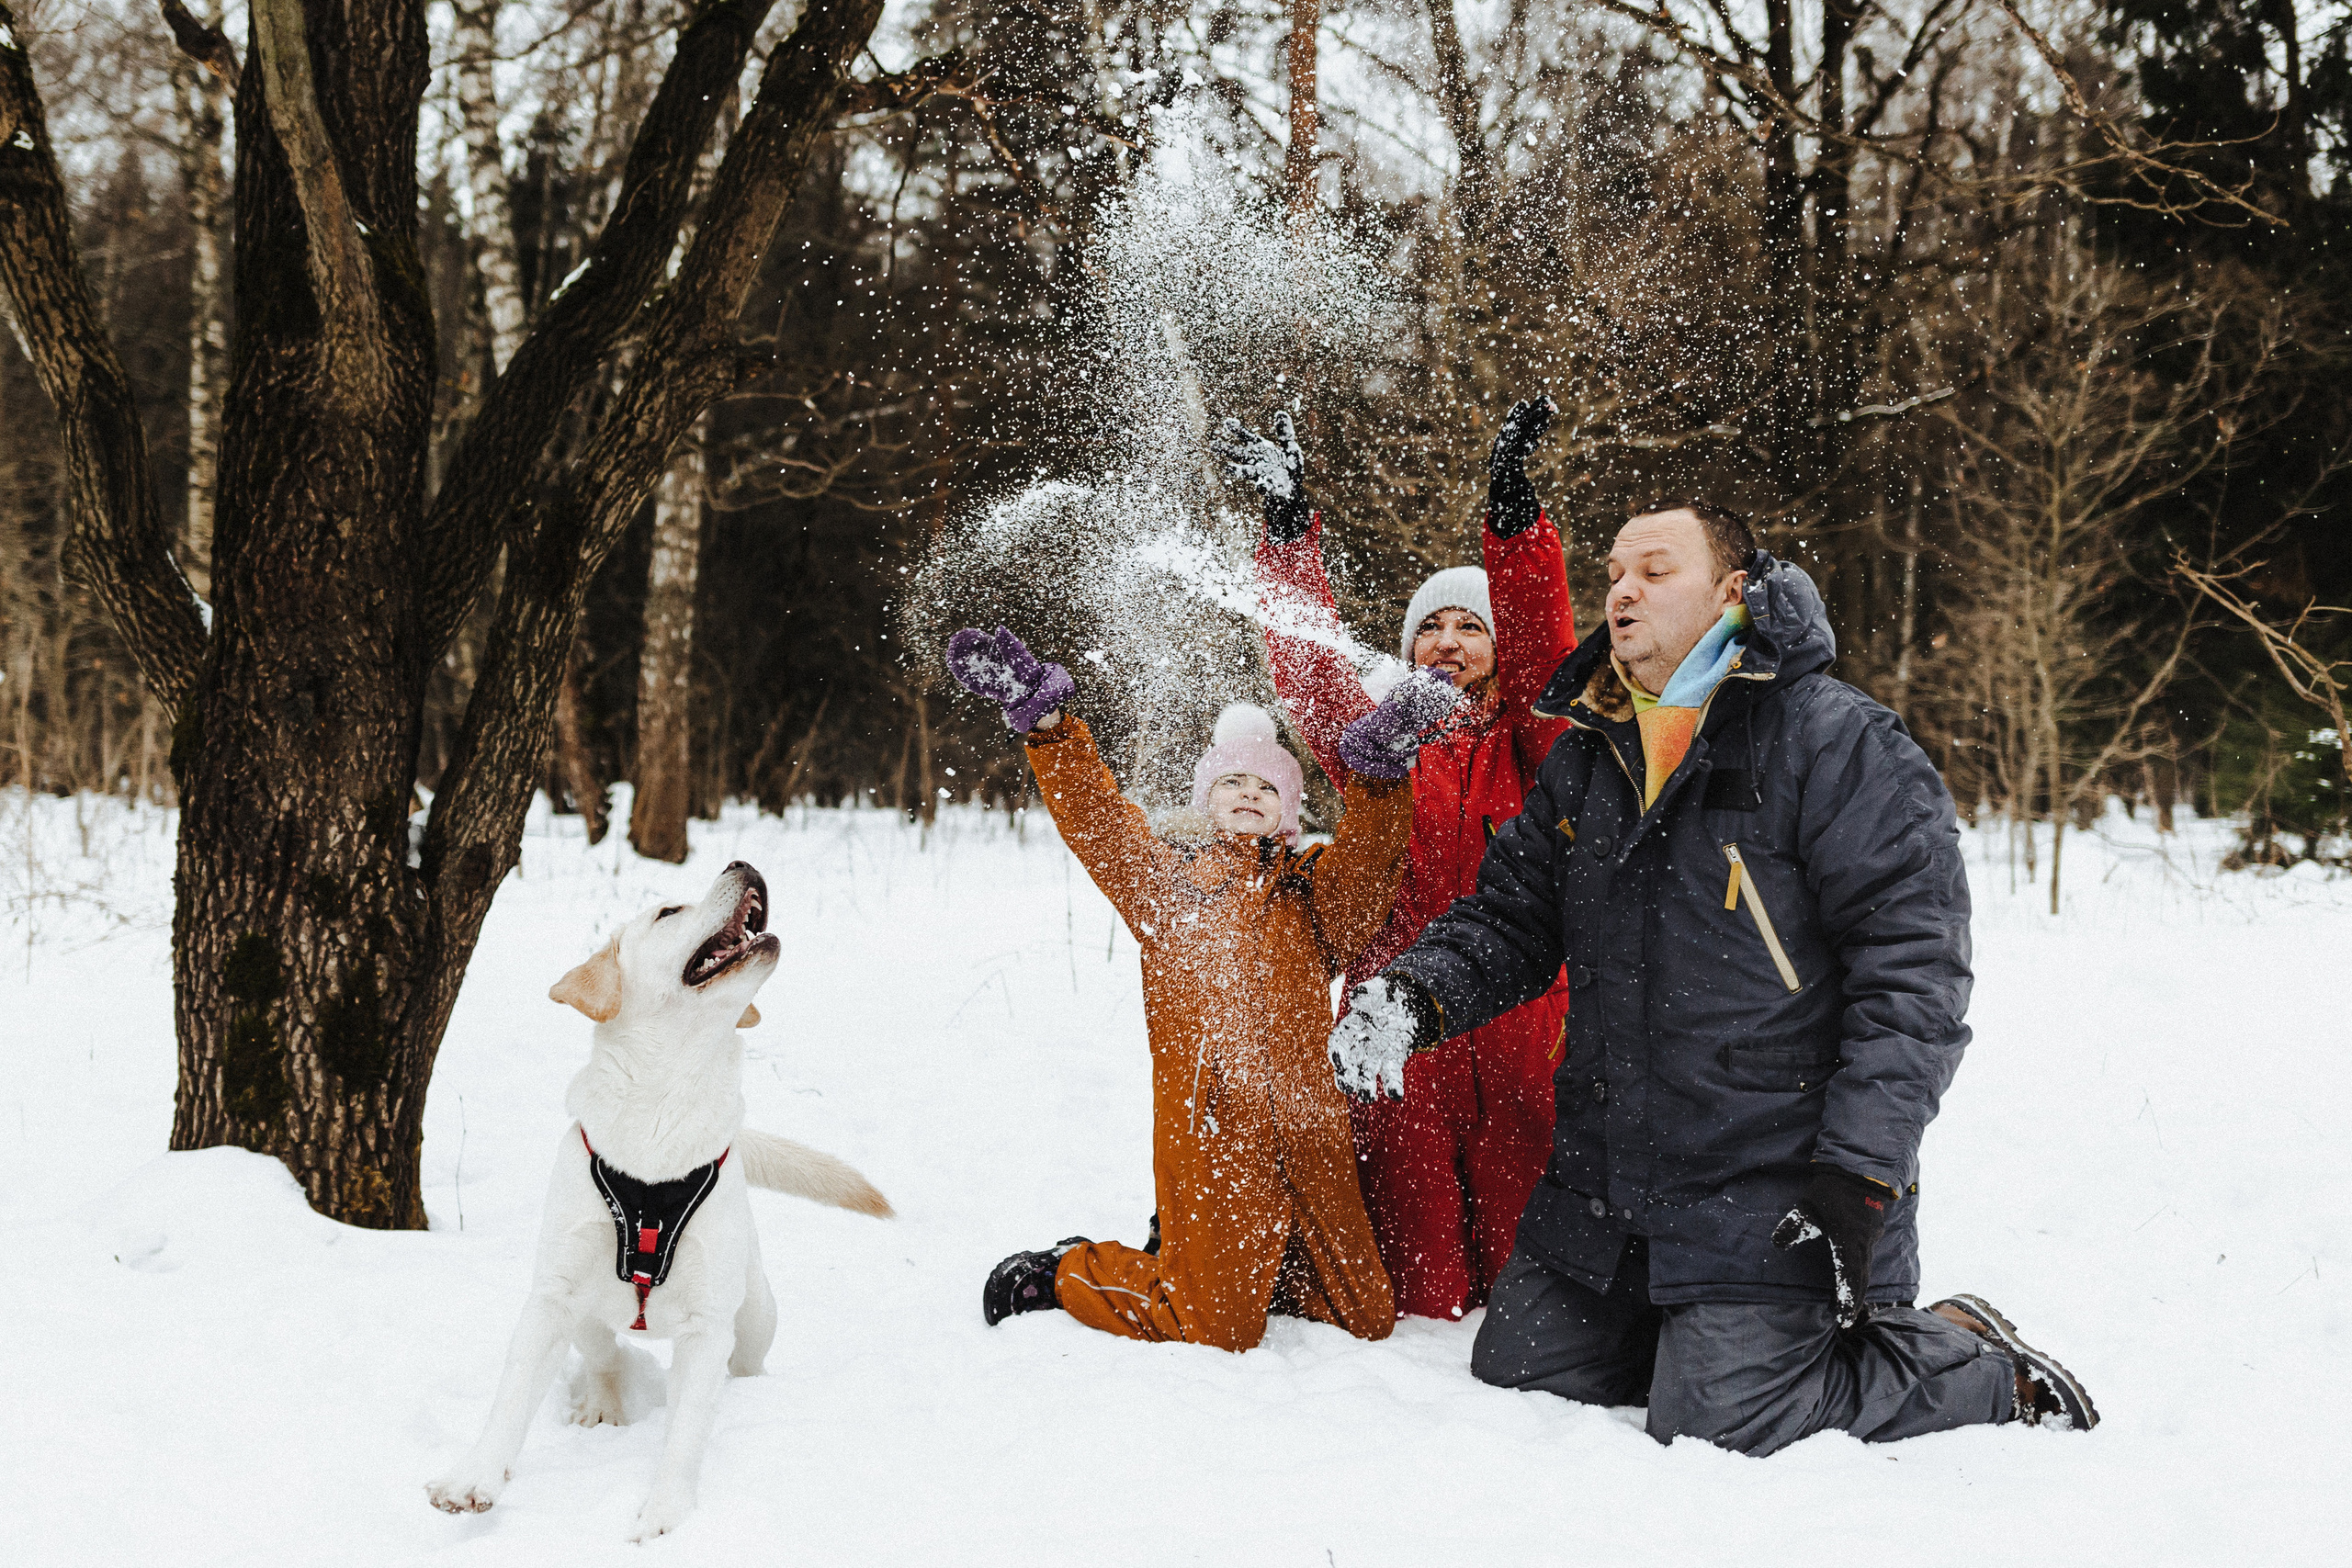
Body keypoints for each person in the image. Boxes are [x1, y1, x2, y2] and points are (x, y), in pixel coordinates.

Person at [1327, 502, 2100, 1453]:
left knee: (1722, 1425)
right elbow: (1510, 917)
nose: (1623, 591)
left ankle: (1977, 1363)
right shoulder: (1592, 751)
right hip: (1608, 1180)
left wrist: (1862, 1169)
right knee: (1520, 1369)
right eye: (1614, 573)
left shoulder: (1835, 741)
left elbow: (1914, 976)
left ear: (1733, 591)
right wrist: (1415, 995)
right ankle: (1706, 1336)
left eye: (1655, 571)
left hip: (1771, 1184)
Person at [944, 623, 1457, 1350]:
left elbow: (1371, 863)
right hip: (1217, 1138)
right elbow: (1099, 822)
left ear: (1290, 810)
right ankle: (1074, 1267)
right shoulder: (1165, 888)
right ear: (1206, 800)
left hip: (1311, 1131)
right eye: (1232, 782)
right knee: (1216, 1325)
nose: (1250, 792)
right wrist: (1048, 725)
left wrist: (1379, 775)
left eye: (1267, 786)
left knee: (1366, 1315)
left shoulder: (1313, 896)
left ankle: (1248, 1262)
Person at [1214, 399, 1577, 1320]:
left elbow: (1546, 646)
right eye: (1431, 627)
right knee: (1420, 1304)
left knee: (1531, 1296)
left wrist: (1515, 531)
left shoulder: (1538, 743)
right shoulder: (1381, 745)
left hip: (1520, 1040)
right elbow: (1310, 671)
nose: (1447, 641)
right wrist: (1287, 536)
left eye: (1471, 626)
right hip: (1397, 1041)